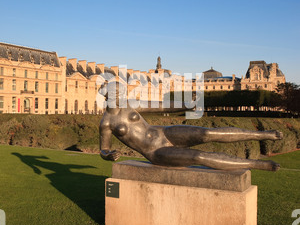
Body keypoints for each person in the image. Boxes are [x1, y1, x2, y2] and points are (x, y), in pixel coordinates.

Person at [99, 78, 282, 171]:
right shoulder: (106, 122)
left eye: (121, 92)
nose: (120, 96)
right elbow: (103, 149)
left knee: (208, 134)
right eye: (116, 93)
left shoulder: (131, 104)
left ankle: (263, 134)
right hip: (156, 152)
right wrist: (108, 155)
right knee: (199, 157)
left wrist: (187, 104)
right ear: (108, 95)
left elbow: (163, 106)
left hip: (164, 133)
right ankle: (256, 164)